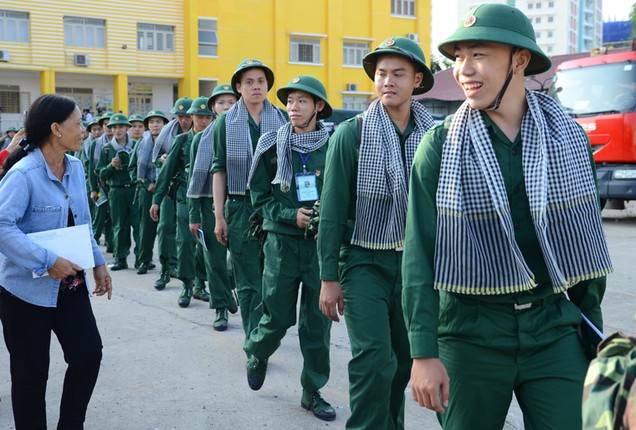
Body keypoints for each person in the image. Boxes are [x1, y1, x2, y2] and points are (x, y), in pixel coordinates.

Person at [402, 4, 613, 429]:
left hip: (552, 326)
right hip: (469, 332)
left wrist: (593, 334)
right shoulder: (438, 147)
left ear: (519, 59)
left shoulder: (569, 140)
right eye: (458, 56)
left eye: (478, 54)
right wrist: (423, 353)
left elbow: (583, 242)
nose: (464, 70)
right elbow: (419, 255)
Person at [317, 36, 436, 429]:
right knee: (373, 360)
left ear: (417, 80)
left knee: (403, 359)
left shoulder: (436, 136)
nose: (388, 81)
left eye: (398, 73)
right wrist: (328, 278)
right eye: (381, 73)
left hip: (416, 267)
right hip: (363, 260)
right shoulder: (352, 134)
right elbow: (332, 211)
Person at [0, 94, 112, 429]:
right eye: (78, 124)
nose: (84, 130)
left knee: (88, 354)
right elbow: (2, 224)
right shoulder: (24, 174)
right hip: (24, 293)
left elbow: (83, 222)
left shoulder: (75, 168)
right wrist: (46, 260)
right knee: (31, 375)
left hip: (70, 285)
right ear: (55, 129)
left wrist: (98, 262)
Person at [245, 75, 335, 421]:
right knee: (278, 316)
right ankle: (257, 351)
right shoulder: (271, 145)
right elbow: (259, 198)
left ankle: (312, 391)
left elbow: (343, 195)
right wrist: (288, 215)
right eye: (290, 101)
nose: (294, 108)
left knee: (317, 324)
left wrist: (323, 220)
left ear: (319, 107)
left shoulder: (334, 145)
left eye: (302, 101)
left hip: (319, 248)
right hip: (282, 244)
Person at [211, 59, 286, 347]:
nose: (256, 86)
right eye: (249, 82)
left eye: (261, 81)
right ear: (239, 87)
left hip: (272, 206)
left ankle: (266, 330)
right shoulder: (225, 124)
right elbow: (219, 171)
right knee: (248, 281)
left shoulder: (281, 120)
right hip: (240, 206)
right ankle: (254, 343)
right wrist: (220, 216)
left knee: (273, 277)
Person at [187, 84, 239, 330]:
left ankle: (228, 291)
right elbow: (195, 180)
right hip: (209, 205)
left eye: (231, 102)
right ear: (213, 108)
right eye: (221, 103)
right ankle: (220, 307)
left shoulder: (247, 132)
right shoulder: (200, 139)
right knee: (214, 259)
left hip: (241, 204)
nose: (227, 107)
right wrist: (194, 214)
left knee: (240, 260)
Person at [151, 97, 211, 307]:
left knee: (204, 243)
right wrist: (157, 199)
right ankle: (186, 284)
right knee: (185, 240)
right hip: (185, 195)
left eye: (207, 117)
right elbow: (166, 172)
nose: (203, 121)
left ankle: (200, 284)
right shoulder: (183, 140)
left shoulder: (216, 139)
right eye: (199, 116)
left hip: (209, 197)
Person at [151, 97, 192, 290]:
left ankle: (191, 278)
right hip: (169, 188)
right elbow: (155, 159)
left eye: (186, 116)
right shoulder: (168, 133)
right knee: (165, 228)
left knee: (187, 235)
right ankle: (165, 270)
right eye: (179, 116)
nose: (183, 120)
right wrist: (162, 160)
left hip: (190, 189)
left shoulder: (201, 132)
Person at [97, 114, 139, 270]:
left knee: (138, 224)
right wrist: (110, 166)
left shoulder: (135, 145)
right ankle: (120, 258)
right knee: (119, 226)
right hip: (116, 190)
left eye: (121, 126)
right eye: (113, 127)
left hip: (134, 189)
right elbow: (100, 173)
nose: (117, 130)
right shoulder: (107, 149)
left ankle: (142, 259)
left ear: (127, 128)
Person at [132, 109, 169, 274]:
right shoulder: (142, 143)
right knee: (146, 229)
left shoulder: (171, 141)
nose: (155, 125)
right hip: (147, 192)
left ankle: (170, 265)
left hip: (168, 192)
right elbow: (133, 169)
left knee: (167, 230)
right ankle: (144, 261)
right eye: (152, 122)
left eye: (158, 122)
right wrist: (146, 183)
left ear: (165, 124)